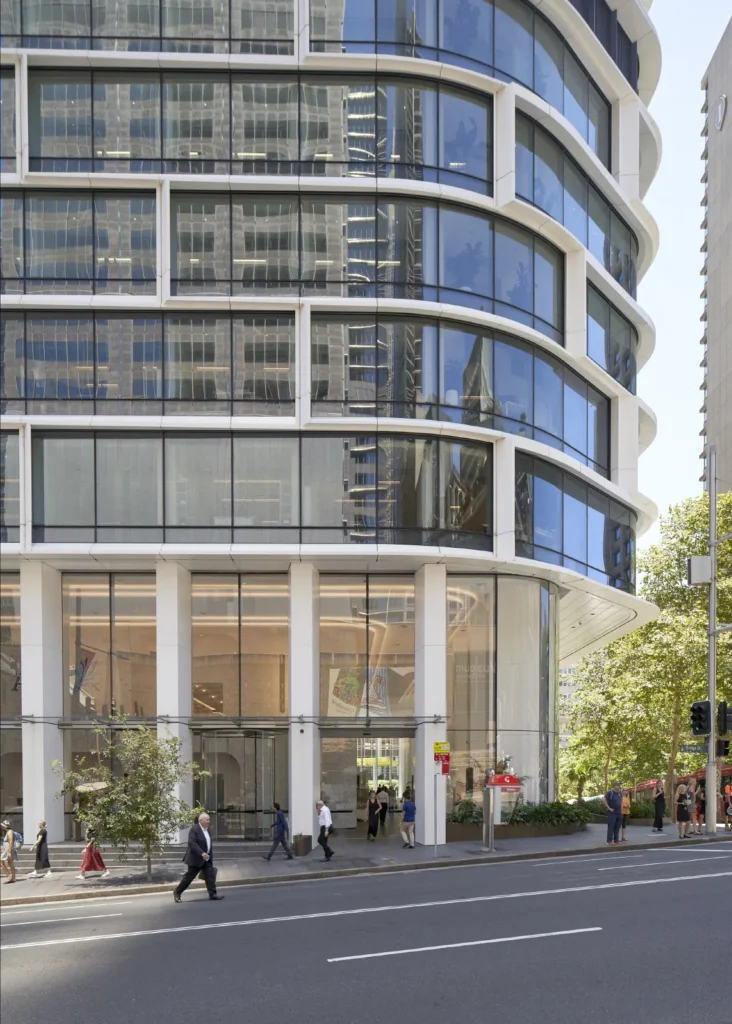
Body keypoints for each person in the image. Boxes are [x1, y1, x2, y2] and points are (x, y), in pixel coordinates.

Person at [174, 812, 224, 902]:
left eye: (209, 819)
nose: (209, 821)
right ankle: (177, 893)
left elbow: (208, 844)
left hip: (206, 858)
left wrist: (209, 856)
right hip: (196, 858)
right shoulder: (195, 829)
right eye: (207, 820)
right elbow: (192, 843)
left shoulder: (207, 829)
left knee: (210, 876)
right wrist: (202, 853)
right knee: (189, 877)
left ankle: (213, 894)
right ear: (201, 821)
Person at [602, 781, 623, 846]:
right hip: (612, 812)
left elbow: (621, 800)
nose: (619, 786)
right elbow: (603, 799)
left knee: (617, 826)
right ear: (614, 786)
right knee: (611, 826)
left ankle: (616, 840)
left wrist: (621, 808)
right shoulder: (610, 793)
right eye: (618, 785)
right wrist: (609, 808)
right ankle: (609, 841)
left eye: (619, 785)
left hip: (619, 812)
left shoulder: (620, 793)